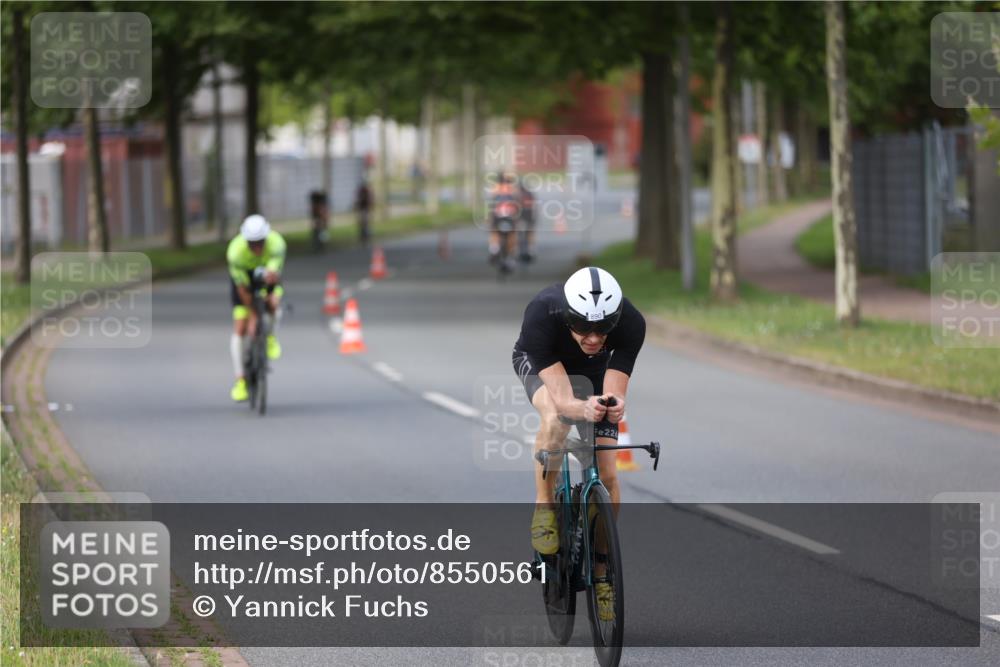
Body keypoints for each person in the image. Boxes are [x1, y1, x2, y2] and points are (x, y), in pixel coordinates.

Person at [511, 267, 645, 619]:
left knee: (609, 474)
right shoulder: (542, 313)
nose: (594, 337)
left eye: (603, 329)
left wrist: (611, 407)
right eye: (584, 327)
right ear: (569, 317)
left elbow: (615, 391)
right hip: (544, 366)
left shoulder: (631, 323)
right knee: (555, 417)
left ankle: (602, 573)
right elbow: (565, 401)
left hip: (595, 372)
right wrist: (581, 407)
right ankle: (544, 506)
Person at [226, 214, 286, 402]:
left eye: (260, 242)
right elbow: (242, 288)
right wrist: (252, 313)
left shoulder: (277, 245)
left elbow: (274, 276)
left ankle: (270, 338)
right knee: (241, 327)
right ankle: (240, 380)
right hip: (244, 279)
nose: (257, 247)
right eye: (252, 243)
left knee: (274, 304)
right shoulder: (235, 253)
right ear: (245, 240)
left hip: (267, 274)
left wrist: (271, 292)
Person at [487, 171, 521, 269]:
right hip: (500, 216)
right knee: (495, 231)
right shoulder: (503, 189)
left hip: (508, 216)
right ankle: (495, 249)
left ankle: (497, 250)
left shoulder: (498, 189)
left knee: (510, 233)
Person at [355, 178, 373, 245]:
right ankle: (362, 234)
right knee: (361, 221)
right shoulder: (360, 192)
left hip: (366, 208)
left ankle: (366, 233)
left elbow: (370, 200)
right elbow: (357, 201)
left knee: (366, 221)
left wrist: (370, 206)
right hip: (361, 208)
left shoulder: (367, 191)